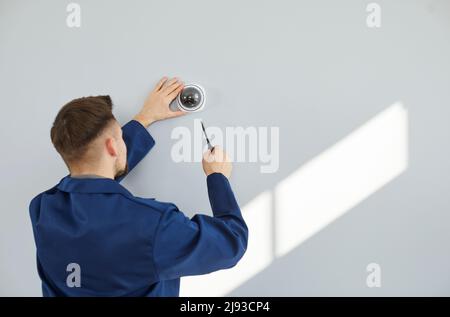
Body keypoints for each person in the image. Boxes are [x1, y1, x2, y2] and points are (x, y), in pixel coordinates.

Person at [29, 77, 248, 296]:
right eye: (121, 136)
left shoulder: (42, 209)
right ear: (113, 146)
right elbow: (232, 243)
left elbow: (90, 178)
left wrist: (145, 118)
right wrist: (217, 177)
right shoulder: (152, 224)